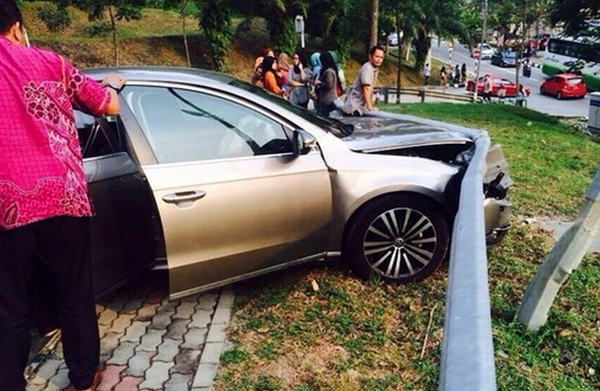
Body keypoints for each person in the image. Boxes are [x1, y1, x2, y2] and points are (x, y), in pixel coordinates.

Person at [0, 1, 122, 391]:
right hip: (63, 197)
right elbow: (109, 104)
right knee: (74, 294)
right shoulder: (51, 62)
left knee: (10, 309)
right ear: (17, 27)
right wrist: (111, 86)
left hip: (8, 207)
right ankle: (84, 377)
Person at [342, 45, 385, 116]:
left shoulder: (374, 69)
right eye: (377, 56)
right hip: (353, 109)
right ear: (370, 56)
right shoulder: (367, 68)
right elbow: (366, 88)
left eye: (381, 57)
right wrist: (370, 107)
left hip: (358, 109)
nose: (379, 60)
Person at [315, 51, 341, 117]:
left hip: (327, 99)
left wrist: (319, 83)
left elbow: (329, 85)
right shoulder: (331, 70)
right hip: (328, 99)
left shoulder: (328, 72)